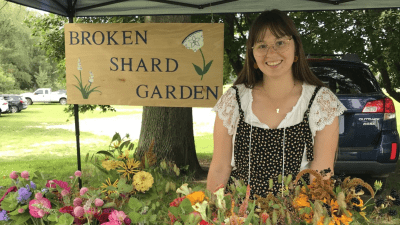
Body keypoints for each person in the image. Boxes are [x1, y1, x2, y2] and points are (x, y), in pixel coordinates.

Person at [207, 9, 346, 198]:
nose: (271, 53)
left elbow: (321, 176)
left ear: (296, 48)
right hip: (239, 215)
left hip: (297, 215)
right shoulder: (234, 100)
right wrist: (212, 212)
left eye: (280, 43)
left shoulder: (320, 102)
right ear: (252, 54)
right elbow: (219, 168)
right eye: (262, 46)